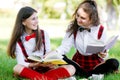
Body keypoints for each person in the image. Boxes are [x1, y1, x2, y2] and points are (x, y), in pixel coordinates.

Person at [49, 0, 119, 78]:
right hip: (78, 63)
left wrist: (104, 54)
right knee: (60, 57)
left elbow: (104, 48)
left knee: (114, 62)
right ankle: (91, 75)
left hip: (95, 64)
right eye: (77, 15)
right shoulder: (73, 27)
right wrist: (54, 53)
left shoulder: (101, 29)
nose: (78, 20)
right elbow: (65, 46)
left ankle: (86, 74)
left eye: (83, 18)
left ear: (92, 19)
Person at [7, 6, 76, 80]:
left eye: (37, 18)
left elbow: (48, 53)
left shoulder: (44, 34)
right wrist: (35, 64)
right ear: (23, 22)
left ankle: (39, 78)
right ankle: (47, 78)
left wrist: (50, 62)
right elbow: (21, 62)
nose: (37, 21)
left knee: (71, 68)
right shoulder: (18, 40)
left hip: (45, 68)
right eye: (33, 19)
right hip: (30, 69)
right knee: (17, 67)